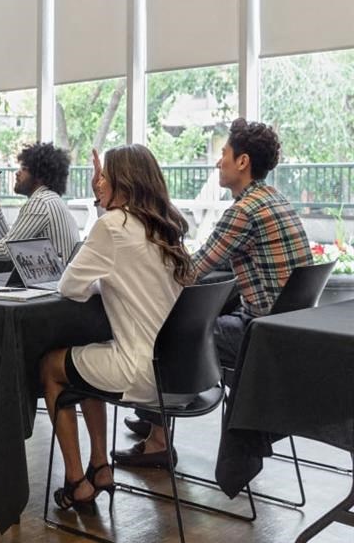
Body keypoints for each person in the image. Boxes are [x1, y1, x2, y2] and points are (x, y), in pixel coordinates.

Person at [117, 119, 313, 468]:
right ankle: (151, 418)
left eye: (223, 154)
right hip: (289, 332)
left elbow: (191, 272)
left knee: (168, 335)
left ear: (243, 162)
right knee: (197, 316)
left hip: (262, 338)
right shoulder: (275, 199)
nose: (218, 161)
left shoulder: (242, 212)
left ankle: (159, 439)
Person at [38, 145, 192, 513]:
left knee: (51, 366)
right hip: (180, 372)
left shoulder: (113, 226)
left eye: (104, 175)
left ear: (125, 181)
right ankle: (100, 467)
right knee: (89, 351)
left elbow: (69, 286)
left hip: (139, 371)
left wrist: (101, 279)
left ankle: (77, 480)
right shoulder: (166, 225)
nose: (98, 180)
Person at [0, 142, 79, 262]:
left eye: (24, 169)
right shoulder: (51, 200)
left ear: (39, 175)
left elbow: (8, 249)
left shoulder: (40, 203)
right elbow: (10, 241)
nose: (17, 173)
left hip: (53, 284)